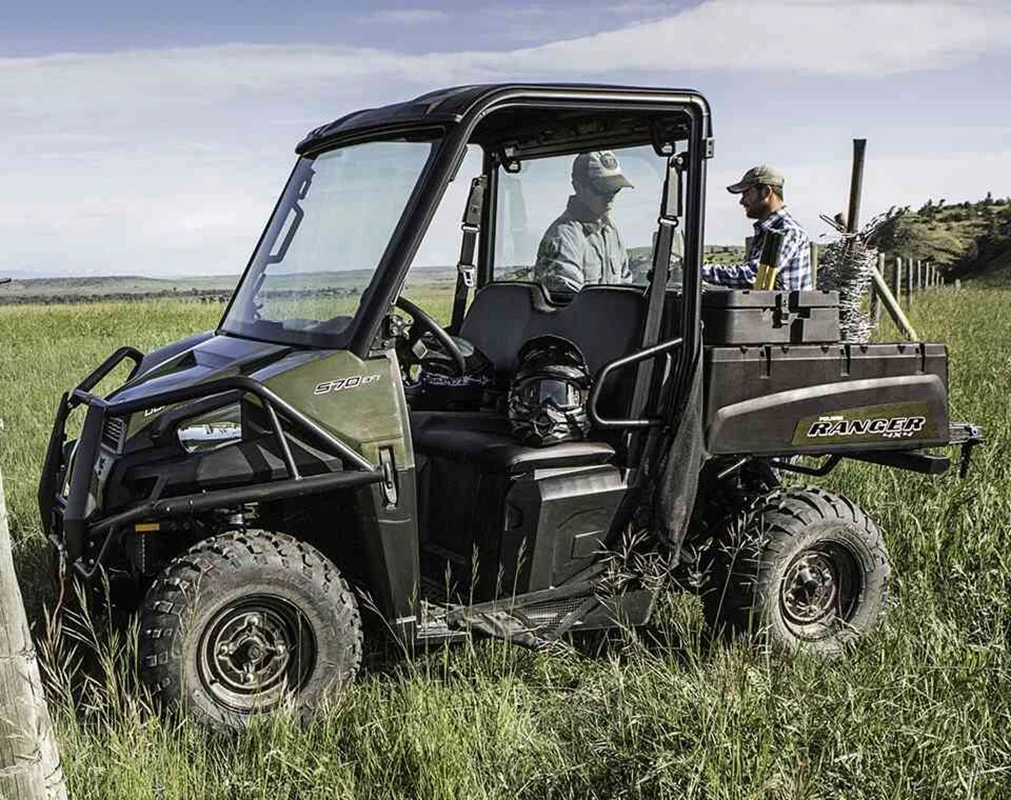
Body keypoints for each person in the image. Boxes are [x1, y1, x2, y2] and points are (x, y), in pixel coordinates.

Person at [534, 151, 633, 294]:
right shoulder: (563, 237)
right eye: (603, 190)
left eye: (615, 189)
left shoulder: (611, 231)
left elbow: (624, 285)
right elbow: (567, 302)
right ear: (578, 187)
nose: (610, 197)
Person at [702, 165, 812, 290]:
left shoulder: (787, 231)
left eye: (746, 193)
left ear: (766, 192)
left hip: (781, 304)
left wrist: (698, 270)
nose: (742, 201)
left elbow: (755, 275)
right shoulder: (767, 231)